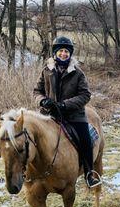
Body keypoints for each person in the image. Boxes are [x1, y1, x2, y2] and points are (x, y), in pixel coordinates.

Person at [33, 36, 102, 188]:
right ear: (55, 53)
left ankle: (90, 173)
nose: (63, 54)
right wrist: (42, 101)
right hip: (49, 116)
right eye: (60, 51)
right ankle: (30, 173)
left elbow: (85, 95)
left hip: (74, 116)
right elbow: (37, 91)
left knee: (86, 139)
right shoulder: (46, 71)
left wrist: (65, 105)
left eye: (66, 51)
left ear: (70, 54)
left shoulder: (78, 73)